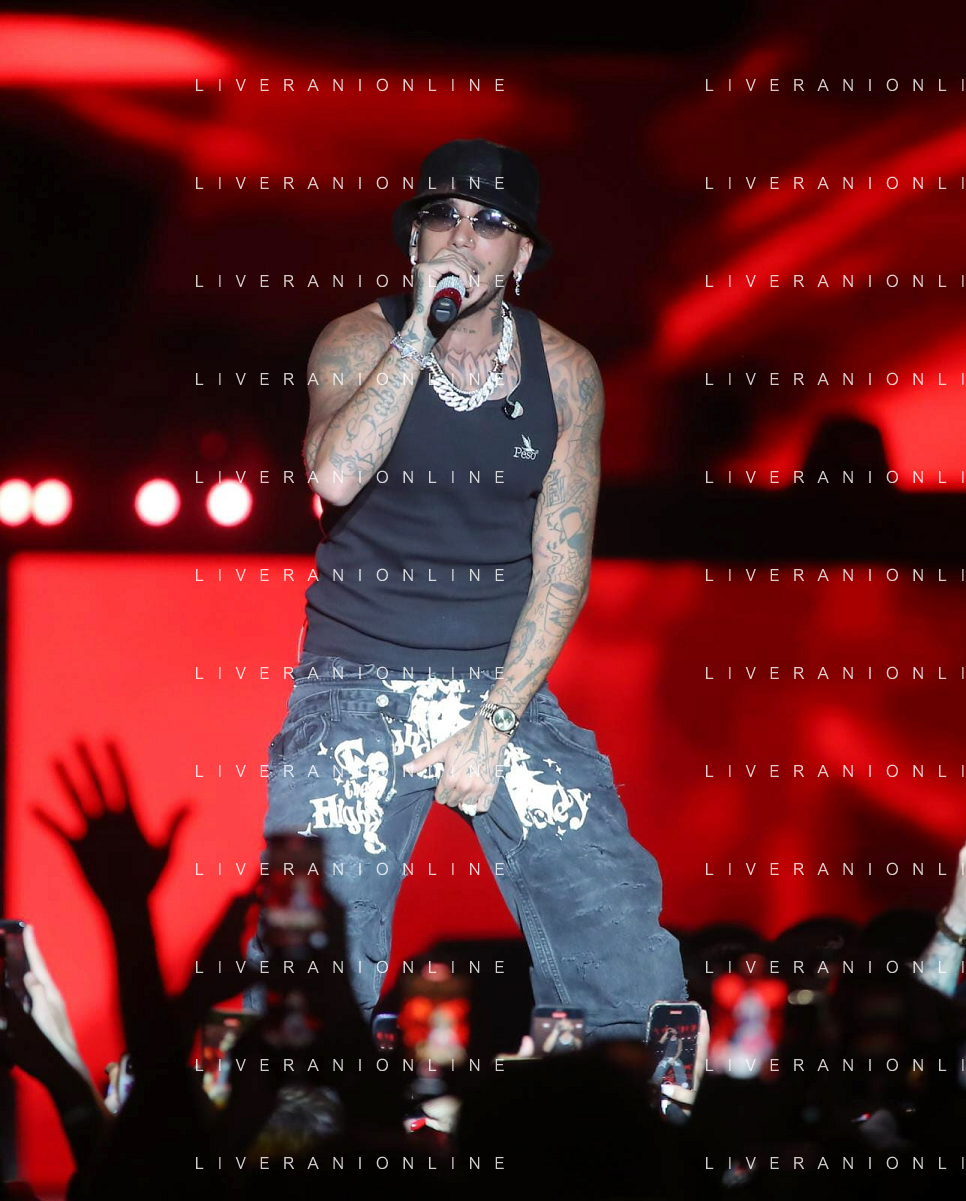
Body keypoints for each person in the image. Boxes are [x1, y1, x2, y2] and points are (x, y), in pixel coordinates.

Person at [247, 138, 686, 1042]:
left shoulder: (567, 373)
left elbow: (561, 568)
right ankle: (296, 1110)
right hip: (354, 682)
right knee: (309, 960)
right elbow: (333, 476)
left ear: (521, 255)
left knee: (617, 931)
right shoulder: (355, 340)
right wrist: (418, 331)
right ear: (413, 238)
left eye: (490, 223)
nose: (462, 237)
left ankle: (626, 1105)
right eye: (442, 216)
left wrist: (495, 723)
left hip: (501, 686)